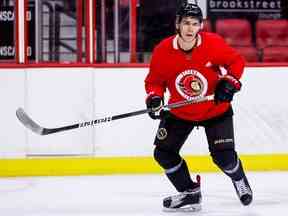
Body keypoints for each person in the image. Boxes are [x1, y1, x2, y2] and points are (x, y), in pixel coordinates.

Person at [144, 0, 253, 212]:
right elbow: (154, 82)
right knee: (163, 154)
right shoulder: (163, 50)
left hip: (215, 109)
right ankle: (190, 192)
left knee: (225, 158)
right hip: (180, 111)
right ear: (177, 24)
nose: (190, 28)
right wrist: (154, 98)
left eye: (195, 23)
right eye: (186, 23)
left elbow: (237, 62)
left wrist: (230, 82)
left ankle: (239, 179)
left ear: (200, 26)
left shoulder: (213, 43)